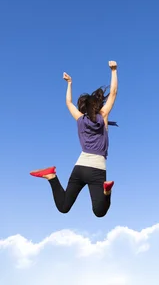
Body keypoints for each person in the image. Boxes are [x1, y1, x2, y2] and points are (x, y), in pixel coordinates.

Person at [30, 61, 119, 218]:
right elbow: (113, 93)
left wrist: (69, 83)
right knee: (99, 211)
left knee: (64, 206)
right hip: (97, 170)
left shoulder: (79, 119)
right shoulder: (102, 117)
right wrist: (114, 71)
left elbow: (68, 102)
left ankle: (52, 176)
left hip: (80, 167)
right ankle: (106, 191)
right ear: (97, 107)